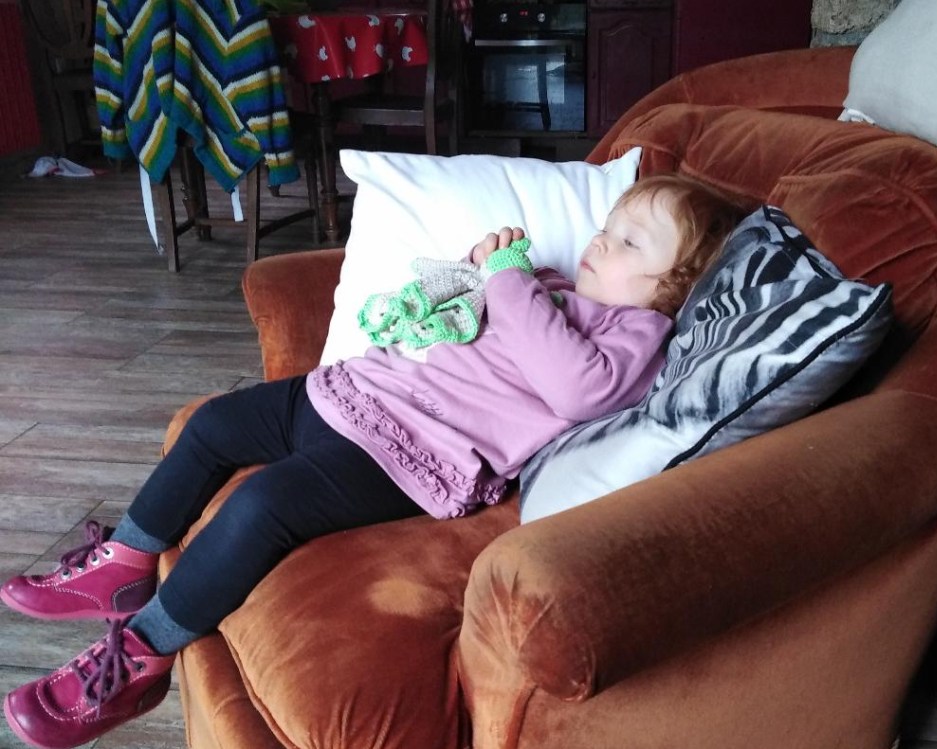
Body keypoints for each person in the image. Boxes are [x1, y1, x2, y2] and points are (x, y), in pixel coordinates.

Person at [1, 173, 746, 748]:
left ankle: (140, 657)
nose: (601, 242)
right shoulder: (547, 284)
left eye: (630, 243)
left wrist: (508, 280)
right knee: (216, 423)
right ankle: (126, 559)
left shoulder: (633, 336)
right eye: (608, 226)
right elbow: (449, 312)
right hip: (355, 393)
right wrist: (474, 268)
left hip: (410, 454)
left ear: (673, 287)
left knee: (264, 505)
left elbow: (576, 388)